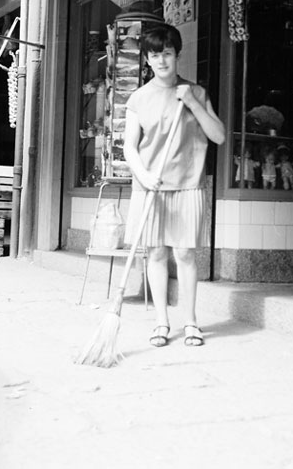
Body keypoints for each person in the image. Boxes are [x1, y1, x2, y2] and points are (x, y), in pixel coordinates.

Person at [123, 24, 225, 347]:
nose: (162, 61)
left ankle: (191, 321)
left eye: (167, 54)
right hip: (150, 186)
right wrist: (142, 173)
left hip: (187, 184)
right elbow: (129, 147)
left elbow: (219, 136)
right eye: (155, 55)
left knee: (184, 253)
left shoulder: (197, 93)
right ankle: (161, 321)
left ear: (177, 55)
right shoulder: (138, 98)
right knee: (155, 252)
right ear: (147, 60)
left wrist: (193, 103)